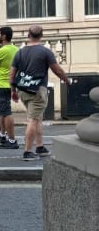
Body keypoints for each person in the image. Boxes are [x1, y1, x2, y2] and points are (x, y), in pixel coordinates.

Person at [10, 24, 72, 160]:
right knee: (33, 119)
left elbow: (12, 72)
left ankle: (40, 146)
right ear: (42, 35)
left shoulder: (19, 52)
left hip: (22, 89)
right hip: (37, 90)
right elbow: (57, 69)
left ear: (28, 35)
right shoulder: (45, 52)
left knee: (37, 117)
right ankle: (27, 151)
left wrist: (13, 89)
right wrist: (66, 80)